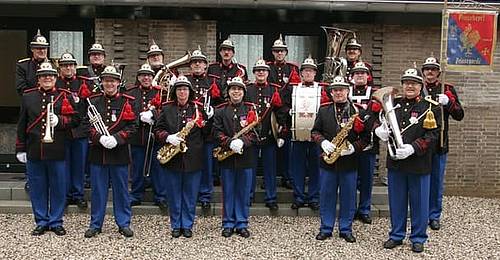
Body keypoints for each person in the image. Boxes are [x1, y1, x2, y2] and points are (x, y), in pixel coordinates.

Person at [375, 68, 440, 253]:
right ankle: (396, 235)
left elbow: (433, 134)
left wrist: (414, 147)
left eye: (414, 83)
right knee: (397, 201)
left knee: (419, 203)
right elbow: (377, 121)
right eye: (406, 82)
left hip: (418, 163)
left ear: (420, 86)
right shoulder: (393, 104)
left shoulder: (431, 107)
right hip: (397, 163)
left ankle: (418, 237)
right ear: (402, 85)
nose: (410, 86)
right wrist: (379, 130)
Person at [16, 62, 79, 236]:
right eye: (44, 76)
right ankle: (41, 221)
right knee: (37, 187)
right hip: (34, 149)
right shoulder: (28, 96)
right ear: (38, 79)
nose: (47, 78)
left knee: (58, 187)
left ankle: (56, 221)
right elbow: (22, 124)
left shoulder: (64, 95)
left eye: (50, 75)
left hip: (57, 149)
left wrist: (60, 121)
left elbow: (76, 120)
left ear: (55, 77)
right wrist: (20, 148)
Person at [311, 76, 371, 242]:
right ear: (331, 92)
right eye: (335, 90)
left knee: (349, 197)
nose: (338, 92)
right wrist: (322, 142)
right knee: (326, 196)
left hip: (349, 162)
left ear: (347, 91)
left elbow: (366, 137)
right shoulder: (323, 110)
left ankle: (346, 228)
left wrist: (354, 148)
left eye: (341, 89)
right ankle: (326, 228)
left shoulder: (357, 111)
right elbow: (315, 132)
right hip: (327, 162)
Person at [84, 65, 137, 238]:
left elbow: (133, 127)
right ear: (102, 82)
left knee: (121, 191)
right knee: (98, 191)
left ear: (118, 82)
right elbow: (86, 125)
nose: (109, 83)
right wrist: (99, 138)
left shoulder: (127, 101)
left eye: (113, 80)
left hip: (119, 153)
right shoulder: (93, 101)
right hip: (98, 154)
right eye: (106, 80)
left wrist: (117, 138)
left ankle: (123, 223)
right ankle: (95, 224)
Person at [155, 76, 206, 238]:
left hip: (193, 157)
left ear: (190, 92)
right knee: (174, 194)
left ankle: (188, 225)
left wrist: (208, 121)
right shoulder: (167, 108)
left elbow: (207, 133)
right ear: (175, 92)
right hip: (173, 158)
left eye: (185, 89)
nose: (182, 92)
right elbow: (158, 130)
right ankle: (176, 225)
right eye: (179, 89)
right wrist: (168, 137)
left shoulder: (198, 109)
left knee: (190, 195)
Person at [421, 56, 464, 230]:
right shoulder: (418, 87)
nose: (430, 72)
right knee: (421, 181)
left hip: (439, 142)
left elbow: (459, 115)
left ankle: (434, 215)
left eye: (433, 69)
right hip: (420, 142)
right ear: (423, 72)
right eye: (427, 69)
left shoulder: (447, 88)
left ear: (439, 72)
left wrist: (449, 102)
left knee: (436, 182)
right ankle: (421, 214)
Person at [213, 77, 258, 238]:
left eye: (239, 89)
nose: (236, 91)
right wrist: (230, 142)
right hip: (227, 157)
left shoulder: (251, 109)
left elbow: (255, 133)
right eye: (233, 89)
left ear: (243, 92)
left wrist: (243, 142)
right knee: (228, 192)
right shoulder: (220, 110)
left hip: (246, 157)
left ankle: (241, 223)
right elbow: (216, 132)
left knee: (243, 192)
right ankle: (227, 223)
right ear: (228, 92)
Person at [283, 56, 326, 211]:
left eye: (311, 71)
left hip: (317, 137)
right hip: (297, 135)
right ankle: (299, 196)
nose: (308, 73)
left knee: (316, 167)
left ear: (315, 73)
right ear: (301, 73)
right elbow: (284, 107)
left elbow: (327, 109)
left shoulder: (322, 89)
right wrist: (290, 115)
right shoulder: (292, 89)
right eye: (305, 71)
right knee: (297, 168)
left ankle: (314, 197)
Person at [245, 59, 287, 211]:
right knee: (250, 168)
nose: (261, 72)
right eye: (258, 70)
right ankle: (248, 197)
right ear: (254, 73)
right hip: (251, 135)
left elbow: (281, 113)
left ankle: (271, 198)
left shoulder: (275, 90)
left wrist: (281, 133)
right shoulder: (247, 90)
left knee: (270, 169)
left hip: (269, 135)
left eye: (263, 70)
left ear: (268, 73)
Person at [126, 63, 167, 210]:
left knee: (158, 167)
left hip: (156, 136)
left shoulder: (161, 92)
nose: (146, 78)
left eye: (149, 75)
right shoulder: (131, 93)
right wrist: (139, 117)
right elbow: (127, 113)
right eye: (143, 75)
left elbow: (165, 112)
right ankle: (136, 195)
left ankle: (160, 196)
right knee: (137, 167)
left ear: (152, 77)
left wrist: (154, 115)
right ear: (138, 77)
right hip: (138, 137)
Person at [186, 48, 222, 212]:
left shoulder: (213, 81)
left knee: (207, 165)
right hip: (189, 130)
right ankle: (190, 194)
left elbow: (221, 102)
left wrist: (213, 111)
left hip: (207, 129)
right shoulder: (184, 81)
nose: (197, 65)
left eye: (200, 62)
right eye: (194, 62)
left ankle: (205, 196)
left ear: (206, 65)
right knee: (190, 164)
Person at [55, 52, 92, 209]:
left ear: (75, 67)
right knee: (62, 165)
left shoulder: (84, 83)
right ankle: (63, 196)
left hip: (79, 130)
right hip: (61, 131)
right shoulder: (55, 83)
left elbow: (90, 107)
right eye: (64, 65)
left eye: (70, 65)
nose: (68, 68)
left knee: (79, 165)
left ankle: (78, 194)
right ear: (60, 68)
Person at [349, 62, 382, 224]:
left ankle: (364, 209)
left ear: (368, 76)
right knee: (350, 178)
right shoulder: (344, 91)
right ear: (352, 76)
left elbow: (380, 117)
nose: (360, 76)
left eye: (363, 73)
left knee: (367, 178)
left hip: (369, 142)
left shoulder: (376, 93)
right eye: (357, 73)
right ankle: (350, 208)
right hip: (349, 142)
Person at [266, 34, 300, 189]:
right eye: (276, 51)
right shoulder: (267, 68)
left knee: (286, 148)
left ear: (286, 53)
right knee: (270, 148)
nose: (279, 53)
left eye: (282, 51)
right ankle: (269, 180)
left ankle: (287, 177)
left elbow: (296, 91)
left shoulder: (293, 69)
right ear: (273, 52)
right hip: (270, 113)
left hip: (287, 114)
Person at [16, 29, 51, 95]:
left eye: (44, 48)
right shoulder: (23, 66)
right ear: (32, 49)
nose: (42, 51)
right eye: (39, 48)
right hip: (30, 101)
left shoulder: (53, 66)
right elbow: (21, 88)